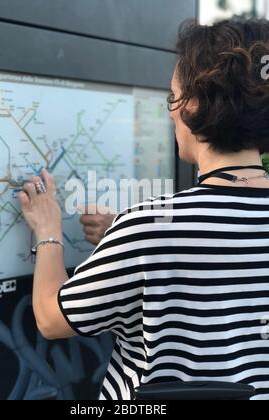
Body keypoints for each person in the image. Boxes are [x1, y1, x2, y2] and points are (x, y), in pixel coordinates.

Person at [18, 18, 269, 400]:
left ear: (196, 104)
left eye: (174, 96)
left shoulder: (149, 229)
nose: (170, 111)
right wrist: (125, 235)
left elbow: (51, 320)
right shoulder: (145, 231)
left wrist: (48, 229)